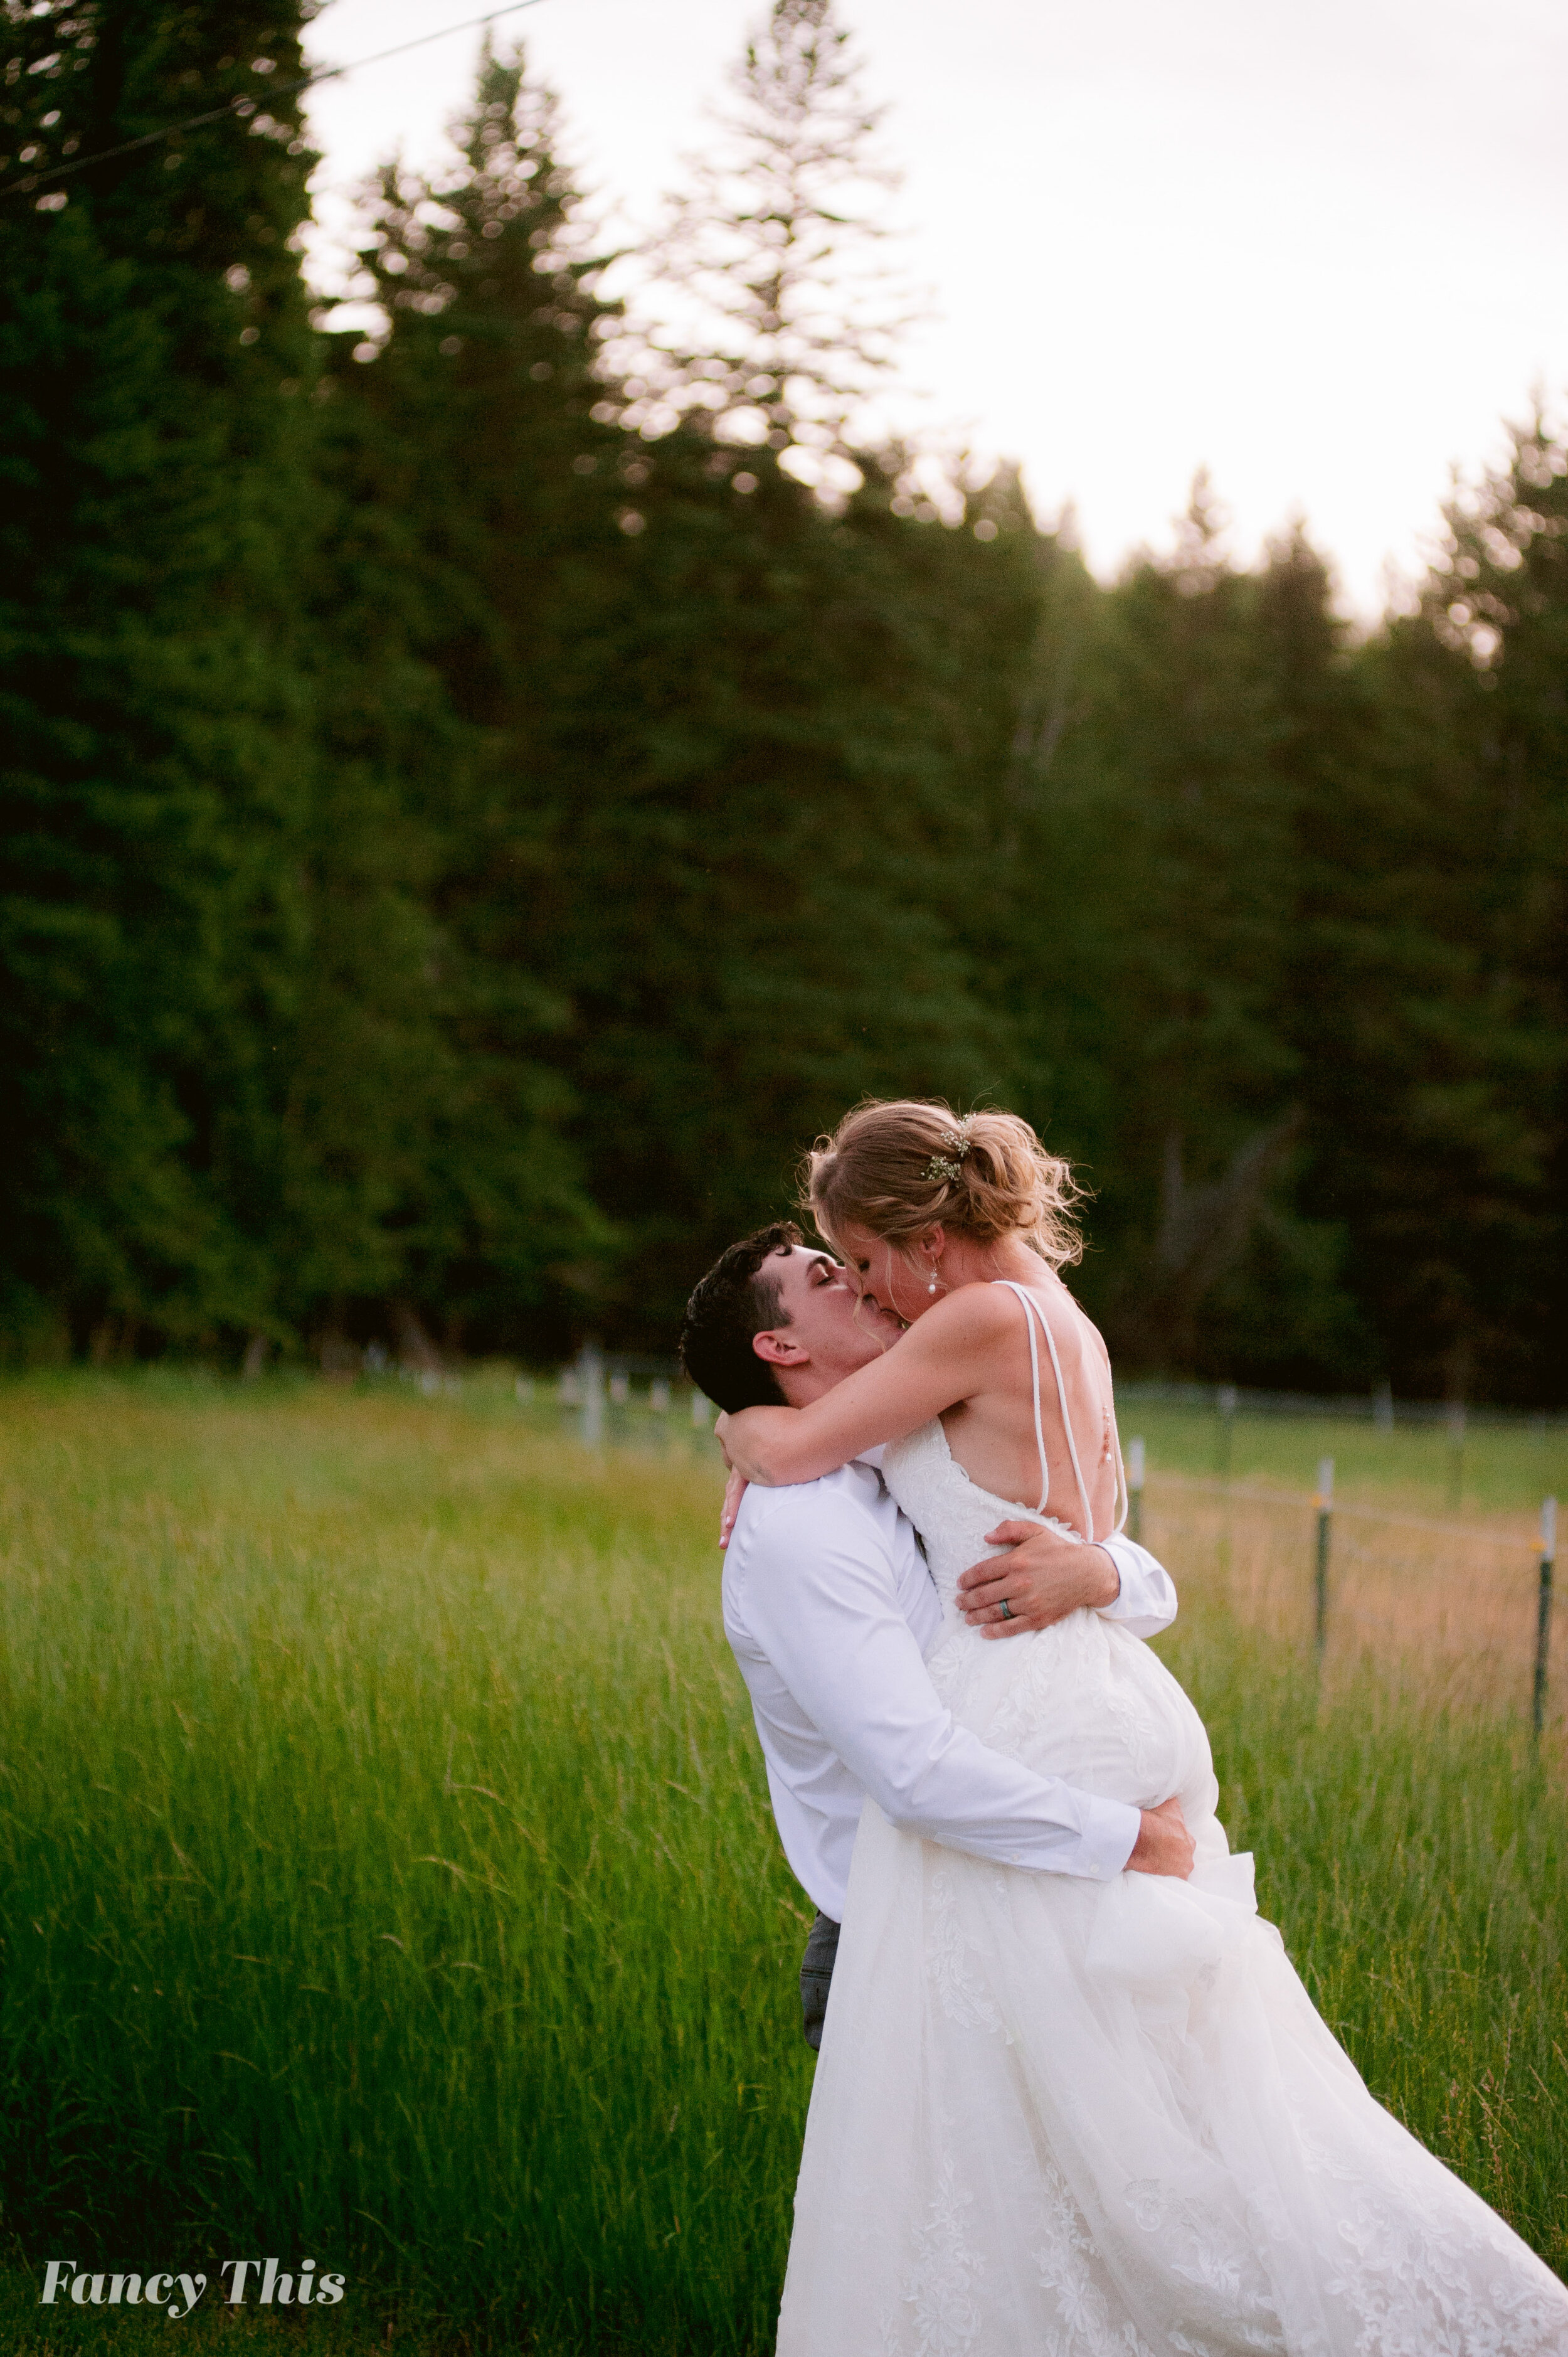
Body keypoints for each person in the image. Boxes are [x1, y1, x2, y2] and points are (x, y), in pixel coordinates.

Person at [716, 1101, 1568, 2356]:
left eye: (866, 1257)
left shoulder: (969, 1318)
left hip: (1021, 1711)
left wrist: (734, 1424)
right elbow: (1084, 1537)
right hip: (1095, 1687)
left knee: (1042, 2105)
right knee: (1108, 2084)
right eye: (837, 1272)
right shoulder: (1062, 1319)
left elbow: (795, 1448)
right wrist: (1103, 1574)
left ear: (922, 1240)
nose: (872, 1289)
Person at [678, 1221, 1193, 2051]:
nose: (862, 1280)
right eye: (828, 1275)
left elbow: (1148, 1587)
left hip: (1009, 1907)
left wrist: (1095, 1570)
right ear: (777, 1343)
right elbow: (915, 1774)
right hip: (901, 1950)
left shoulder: (893, 1449)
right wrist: (1134, 1838)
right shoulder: (803, 1528)